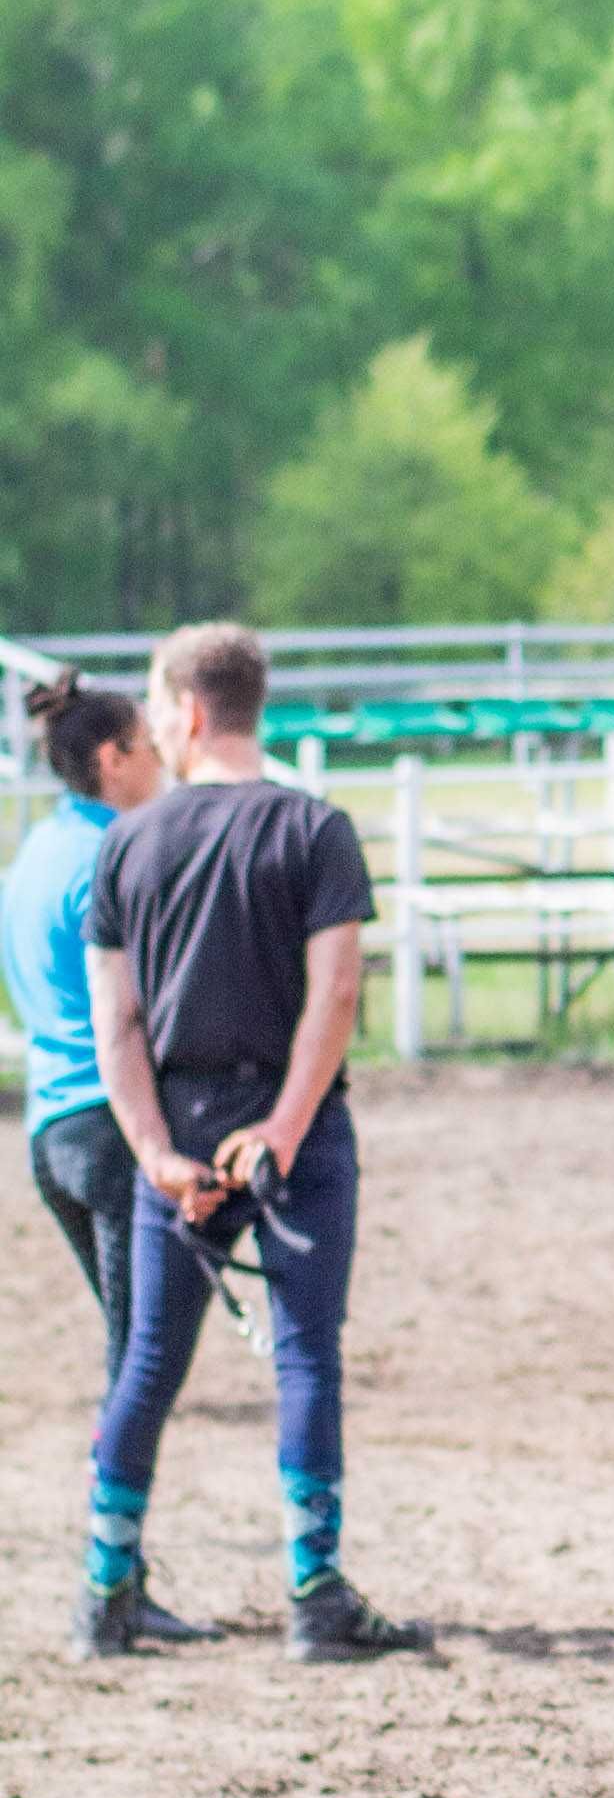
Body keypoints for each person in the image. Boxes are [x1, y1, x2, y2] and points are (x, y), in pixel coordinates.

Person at [82, 620, 424, 1662]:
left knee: (147, 1361)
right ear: (249, 705)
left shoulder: (128, 842)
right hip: (297, 1128)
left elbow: (119, 1023)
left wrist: (149, 1147)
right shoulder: (315, 830)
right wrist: (281, 1125)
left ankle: (105, 1585)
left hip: (175, 1127)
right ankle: (313, 1593)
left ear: (186, 710)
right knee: (306, 1356)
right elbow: (337, 993)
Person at [10, 673, 182, 1512]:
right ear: (113, 759)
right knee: (138, 1358)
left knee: (132, 1344)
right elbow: (144, 1001)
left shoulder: (37, 853)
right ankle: (113, 1575)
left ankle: (115, 1570)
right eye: (149, 748)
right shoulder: (117, 855)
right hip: (112, 1127)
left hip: (49, 1128)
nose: (160, 763)